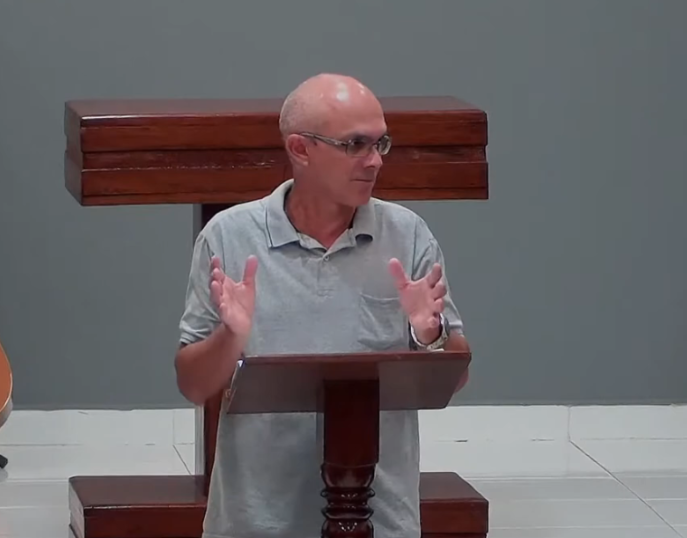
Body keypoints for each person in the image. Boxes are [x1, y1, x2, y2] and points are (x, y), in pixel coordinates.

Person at [174, 73, 471, 538]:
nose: (375, 160)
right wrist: (230, 337)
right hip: (258, 520)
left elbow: (455, 376)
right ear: (300, 149)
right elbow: (193, 384)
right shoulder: (229, 238)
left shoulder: (408, 235)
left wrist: (428, 335)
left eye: (380, 143)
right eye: (355, 145)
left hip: (379, 517)